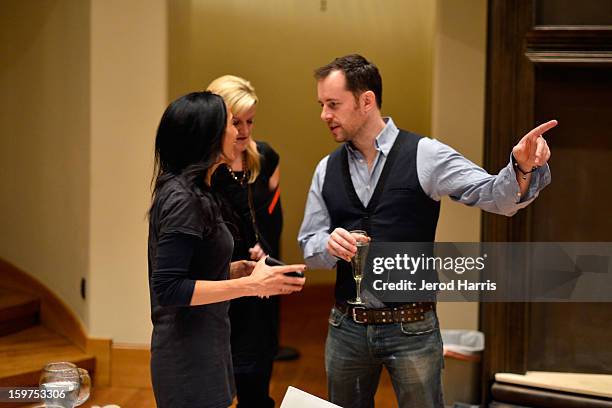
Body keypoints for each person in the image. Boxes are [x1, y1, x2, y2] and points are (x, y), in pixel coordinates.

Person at [298, 54, 555, 408]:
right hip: (346, 328)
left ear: (366, 101)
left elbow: (495, 196)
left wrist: (521, 168)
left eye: (333, 104)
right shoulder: (326, 169)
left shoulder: (425, 155)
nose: (324, 115)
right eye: (322, 105)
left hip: (412, 328)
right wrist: (327, 243)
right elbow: (308, 244)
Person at [147, 91, 306, 408]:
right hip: (187, 354)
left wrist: (236, 270)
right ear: (210, 137)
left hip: (209, 345)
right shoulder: (182, 199)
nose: (240, 132)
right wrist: (251, 285)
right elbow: (168, 288)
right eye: (230, 124)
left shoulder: (198, 191)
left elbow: (193, 271)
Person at [206, 75, 286, 407]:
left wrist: (263, 251)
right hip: (217, 291)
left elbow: (274, 224)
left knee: (255, 390)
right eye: (235, 122)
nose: (244, 131)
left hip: (257, 291)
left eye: (250, 121)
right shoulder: (201, 171)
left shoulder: (264, 159)